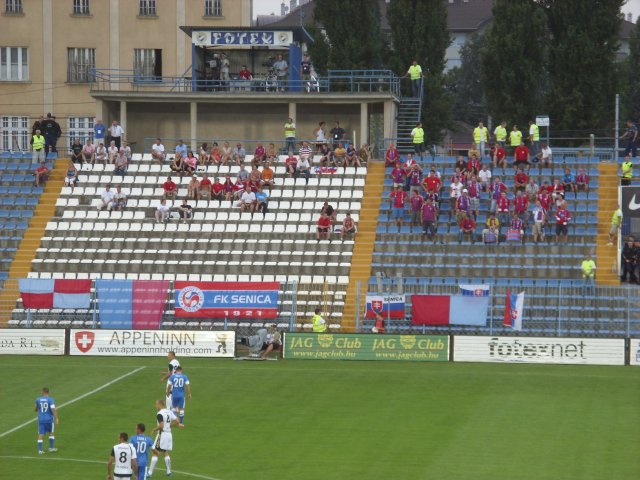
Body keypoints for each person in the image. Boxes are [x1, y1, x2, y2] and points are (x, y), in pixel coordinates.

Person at [148, 399, 179, 478]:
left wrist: (154, 429)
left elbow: (161, 426)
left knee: (155, 452)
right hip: (169, 434)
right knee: (165, 452)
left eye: (156, 404)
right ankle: (168, 472)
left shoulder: (159, 414)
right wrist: (170, 426)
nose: (155, 406)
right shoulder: (169, 411)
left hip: (162, 434)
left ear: (159, 404)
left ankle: (150, 473)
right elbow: (177, 421)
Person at [35, 387, 59, 454]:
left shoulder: (38, 399)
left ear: (43, 392)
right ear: (48, 392)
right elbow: (53, 409)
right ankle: (51, 448)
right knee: (51, 433)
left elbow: (35, 409)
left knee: (41, 434)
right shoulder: (50, 400)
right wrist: (56, 418)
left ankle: (40, 450)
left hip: (41, 420)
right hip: (49, 420)